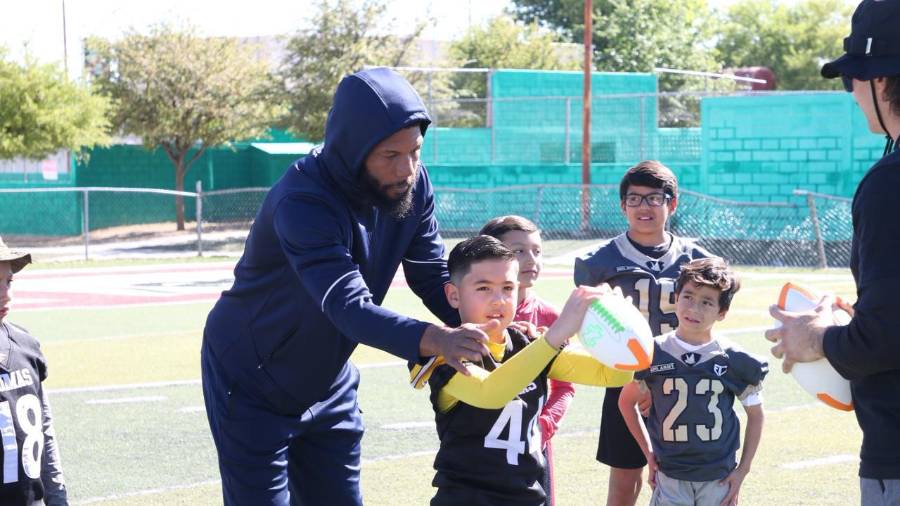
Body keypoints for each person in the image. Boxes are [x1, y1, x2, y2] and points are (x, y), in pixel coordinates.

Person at [201, 67, 493, 505]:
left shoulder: (414, 183)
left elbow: (431, 273)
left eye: (415, 150)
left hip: (328, 380)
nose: (407, 168)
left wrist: (489, 327)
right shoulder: (302, 200)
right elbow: (347, 307)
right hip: (251, 382)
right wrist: (440, 340)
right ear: (352, 152)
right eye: (389, 155)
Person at [767, 1, 900, 503]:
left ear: (880, 78)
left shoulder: (890, 184)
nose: (852, 95)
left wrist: (818, 338)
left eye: (853, 79)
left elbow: (886, 339)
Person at [410, 235, 633, 505]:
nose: (498, 300)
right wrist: (556, 333)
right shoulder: (442, 351)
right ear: (454, 295)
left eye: (507, 288)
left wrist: (624, 328)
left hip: (528, 497)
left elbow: (611, 374)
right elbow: (490, 392)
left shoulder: (527, 343)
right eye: (483, 288)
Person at [574, 161, 714, 506]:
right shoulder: (596, 262)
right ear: (623, 206)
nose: (644, 207)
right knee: (625, 482)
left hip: (684, 384)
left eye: (654, 198)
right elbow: (592, 333)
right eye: (634, 199)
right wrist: (634, 382)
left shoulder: (699, 260)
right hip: (625, 384)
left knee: (685, 480)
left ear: (672, 203)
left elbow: (709, 323)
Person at [620, 258, 766, 506]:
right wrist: (649, 453)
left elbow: (756, 415)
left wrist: (743, 470)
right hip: (671, 475)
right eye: (688, 296)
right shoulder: (652, 351)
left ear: (722, 312)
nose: (694, 309)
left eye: (707, 302)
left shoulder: (734, 358)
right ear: (676, 297)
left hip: (718, 477)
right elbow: (626, 403)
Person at [479, 215, 574, 505]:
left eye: (537, 250)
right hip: (478, 445)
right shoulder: (471, 312)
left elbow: (564, 386)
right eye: (519, 251)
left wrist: (544, 425)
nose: (531, 259)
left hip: (531, 448)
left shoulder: (551, 318)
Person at [0, 237, 69, 506]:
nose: (6, 293)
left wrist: (58, 497)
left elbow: (45, 429)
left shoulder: (26, 346)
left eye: (8, 281)